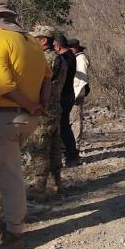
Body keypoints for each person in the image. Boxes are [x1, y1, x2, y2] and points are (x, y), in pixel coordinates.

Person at [0, 0, 50, 249]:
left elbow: (4, 85)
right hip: (26, 119)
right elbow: (47, 78)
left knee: (10, 178)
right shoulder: (31, 42)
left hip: (3, 118)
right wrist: (39, 106)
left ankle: (13, 233)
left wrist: (29, 104)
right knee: (5, 171)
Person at [26, 25, 66, 196]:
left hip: (44, 109)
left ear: (43, 40)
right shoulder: (59, 58)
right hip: (54, 107)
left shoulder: (46, 59)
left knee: (40, 147)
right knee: (54, 146)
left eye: (35, 39)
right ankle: (56, 182)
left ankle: (39, 185)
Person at [53, 34, 81, 166]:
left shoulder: (64, 59)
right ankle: (71, 154)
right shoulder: (71, 56)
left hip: (63, 95)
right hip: (68, 94)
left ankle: (71, 155)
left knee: (63, 127)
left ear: (57, 46)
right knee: (64, 126)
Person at [68, 38, 90, 143]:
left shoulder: (81, 58)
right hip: (73, 90)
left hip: (77, 91)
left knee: (76, 118)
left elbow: (82, 79)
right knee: (72, 117)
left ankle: (75, 142)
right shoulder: (75, 58)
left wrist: (76, 93)